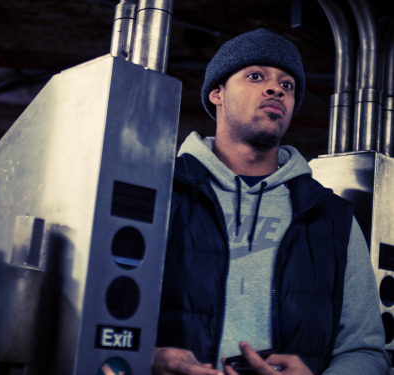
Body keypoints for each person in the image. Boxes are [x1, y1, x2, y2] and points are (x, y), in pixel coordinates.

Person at [152, 28, 390, 375]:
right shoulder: (160, 191)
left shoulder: (331, 217)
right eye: (255, 76)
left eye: (287, 84)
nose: (276, 88)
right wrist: (148, 359)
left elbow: (366, 352)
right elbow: (97, 317)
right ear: (217, 93)